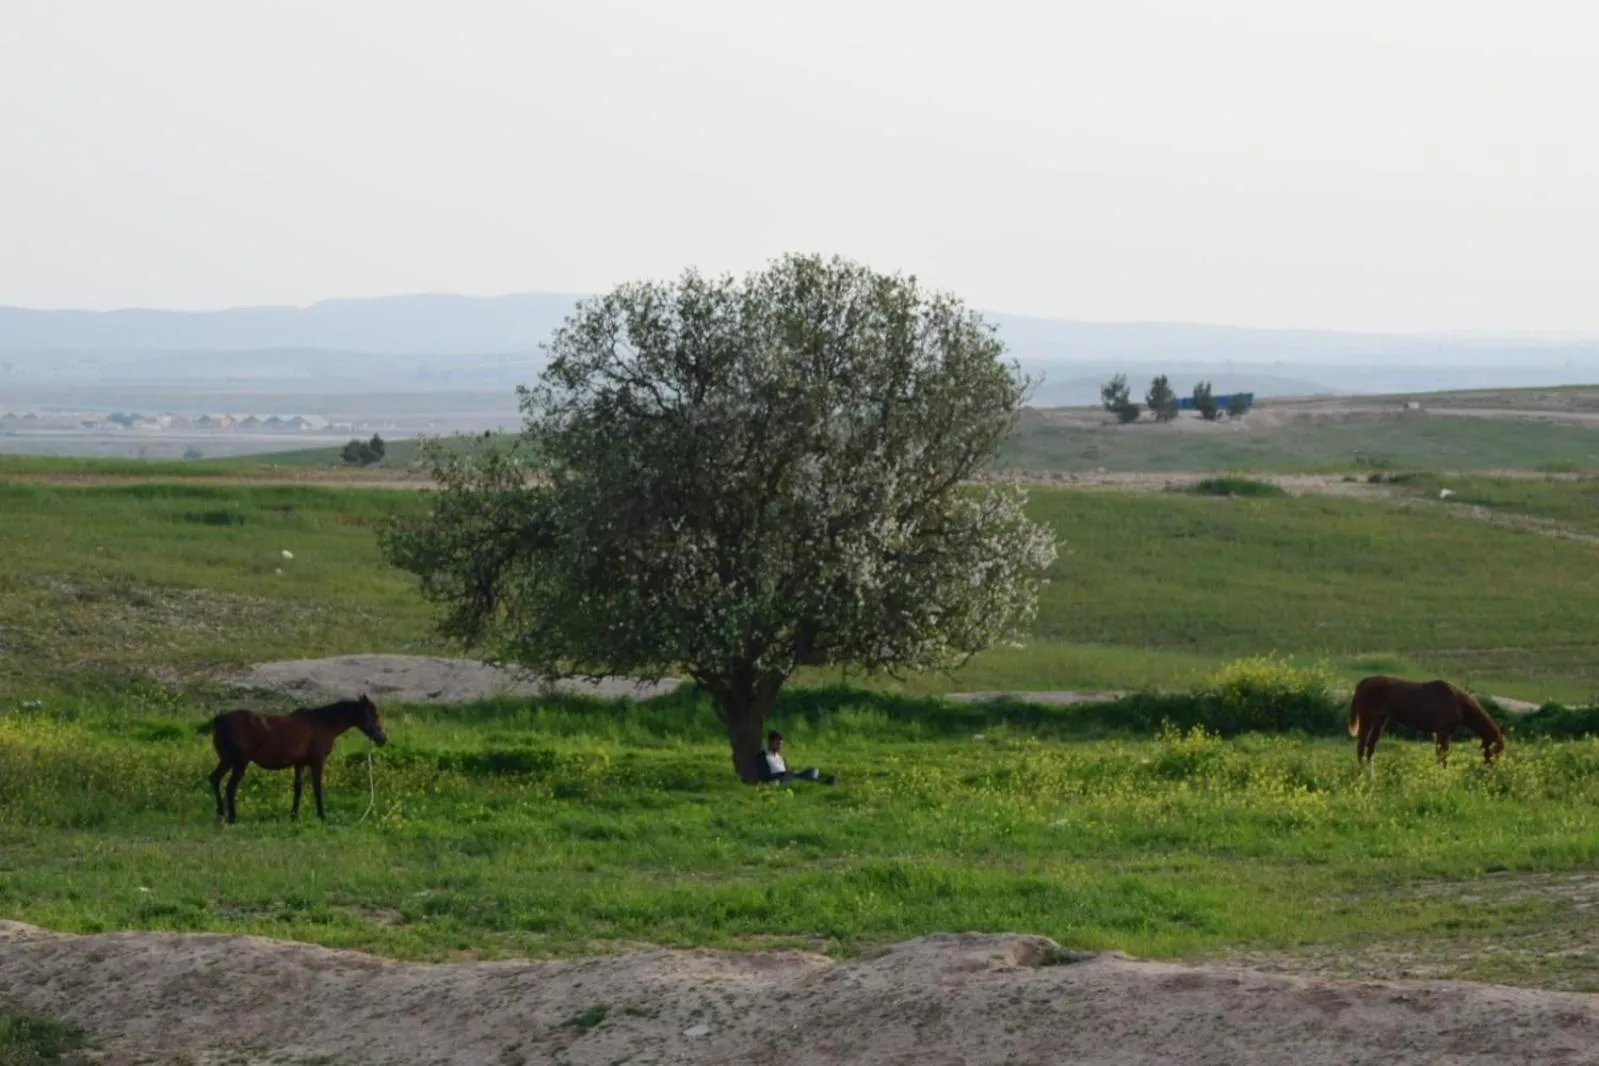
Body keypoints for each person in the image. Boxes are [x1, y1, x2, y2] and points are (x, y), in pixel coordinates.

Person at [758, 730, 838, 786]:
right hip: (779, 779)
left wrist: (791, 772)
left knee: (813, 770)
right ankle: (826, 782)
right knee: (803, 779)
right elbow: (765, 776)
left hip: (789, 776)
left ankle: (825, 779)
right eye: (777, 744)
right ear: (771, 742)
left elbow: (788, 770)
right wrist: (782, 774)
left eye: (780, 744)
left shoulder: (781, 757)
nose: (779, 746)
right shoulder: (764, 756)